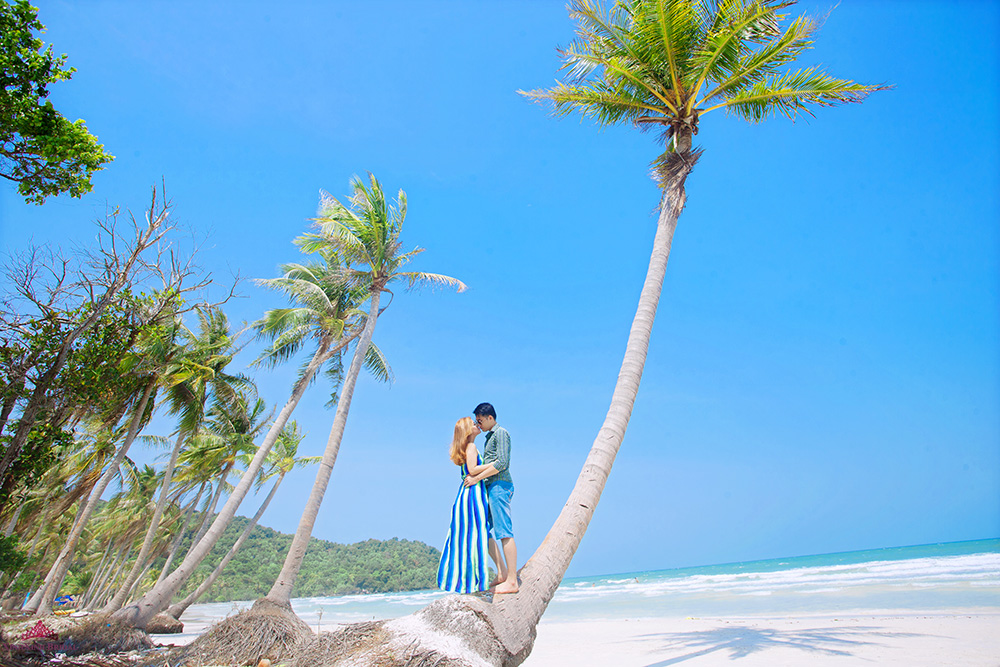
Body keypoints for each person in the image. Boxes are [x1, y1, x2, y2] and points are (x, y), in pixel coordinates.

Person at [464, 402, 518, 594]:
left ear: (490, 418)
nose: (478, 425)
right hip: (490, 487)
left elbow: (502, 463)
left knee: (504, 531)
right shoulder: (488, 438)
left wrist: (476, 477)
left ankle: (512, 581)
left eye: (480, 421)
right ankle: (502, 573)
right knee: (482, 530)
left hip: (500, 486)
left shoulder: (501, 433)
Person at [437, 416, 491, 593]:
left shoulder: (467, 448)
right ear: (468, 431)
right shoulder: (471, 447)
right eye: (474, 424)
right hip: (473, 494)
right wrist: (495, 465)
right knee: (476, 535)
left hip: (466, 493)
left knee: (468, 537)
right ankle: (476, 582)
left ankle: (466, 582)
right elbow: (473, 470)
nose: (477, 425)